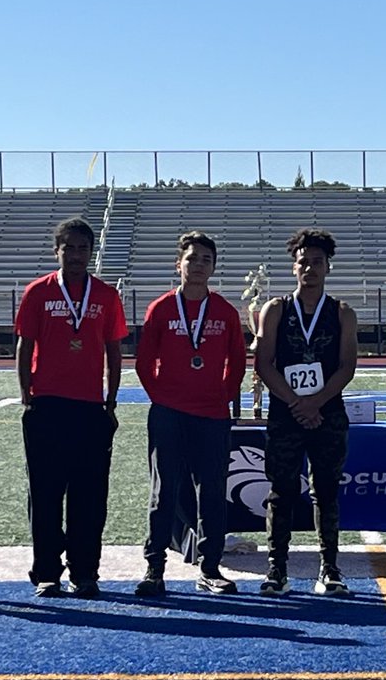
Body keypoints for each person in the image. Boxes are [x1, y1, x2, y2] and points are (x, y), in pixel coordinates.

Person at [15, 217, 127, 599]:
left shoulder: (107, 295)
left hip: (90, 410)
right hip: (46, 406)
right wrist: (27, 394)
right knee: (45, 493)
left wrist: (110, 401)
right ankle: (47, 572)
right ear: (56, 251)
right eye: (69, 248)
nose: (76, 255)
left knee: (90, 495)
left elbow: (115, 351)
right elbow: (24, 346)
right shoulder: (37, 292)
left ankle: (85, 572)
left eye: (83, 248)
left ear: (91, 252)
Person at [134, 231, 246, 597]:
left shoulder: (226, 312)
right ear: (178, 264)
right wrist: (162, 398)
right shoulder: (162, 308)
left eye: (205, 260)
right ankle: (154, 568)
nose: (198, 265)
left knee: (212, 492)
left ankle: (210, 567)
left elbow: (238, 363)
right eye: (192, 258)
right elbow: (144, 361)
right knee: (162, 491)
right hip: (169, 414)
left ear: (213, 268)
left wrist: (222, 398)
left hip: (211, 416)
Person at [254, 229, 358, 597]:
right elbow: (264, 364)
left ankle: (330, 569)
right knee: (281, 492)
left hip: (328, 414)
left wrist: (316, 402)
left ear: (328, 266)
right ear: (293, 266)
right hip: (286, 414)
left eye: (317, 262)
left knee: (326, 492)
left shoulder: (342, 313)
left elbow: (347, 366)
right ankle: (275, 570)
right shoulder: (276, 309)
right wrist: (298, 403)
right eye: (303, 262)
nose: (309, 268)